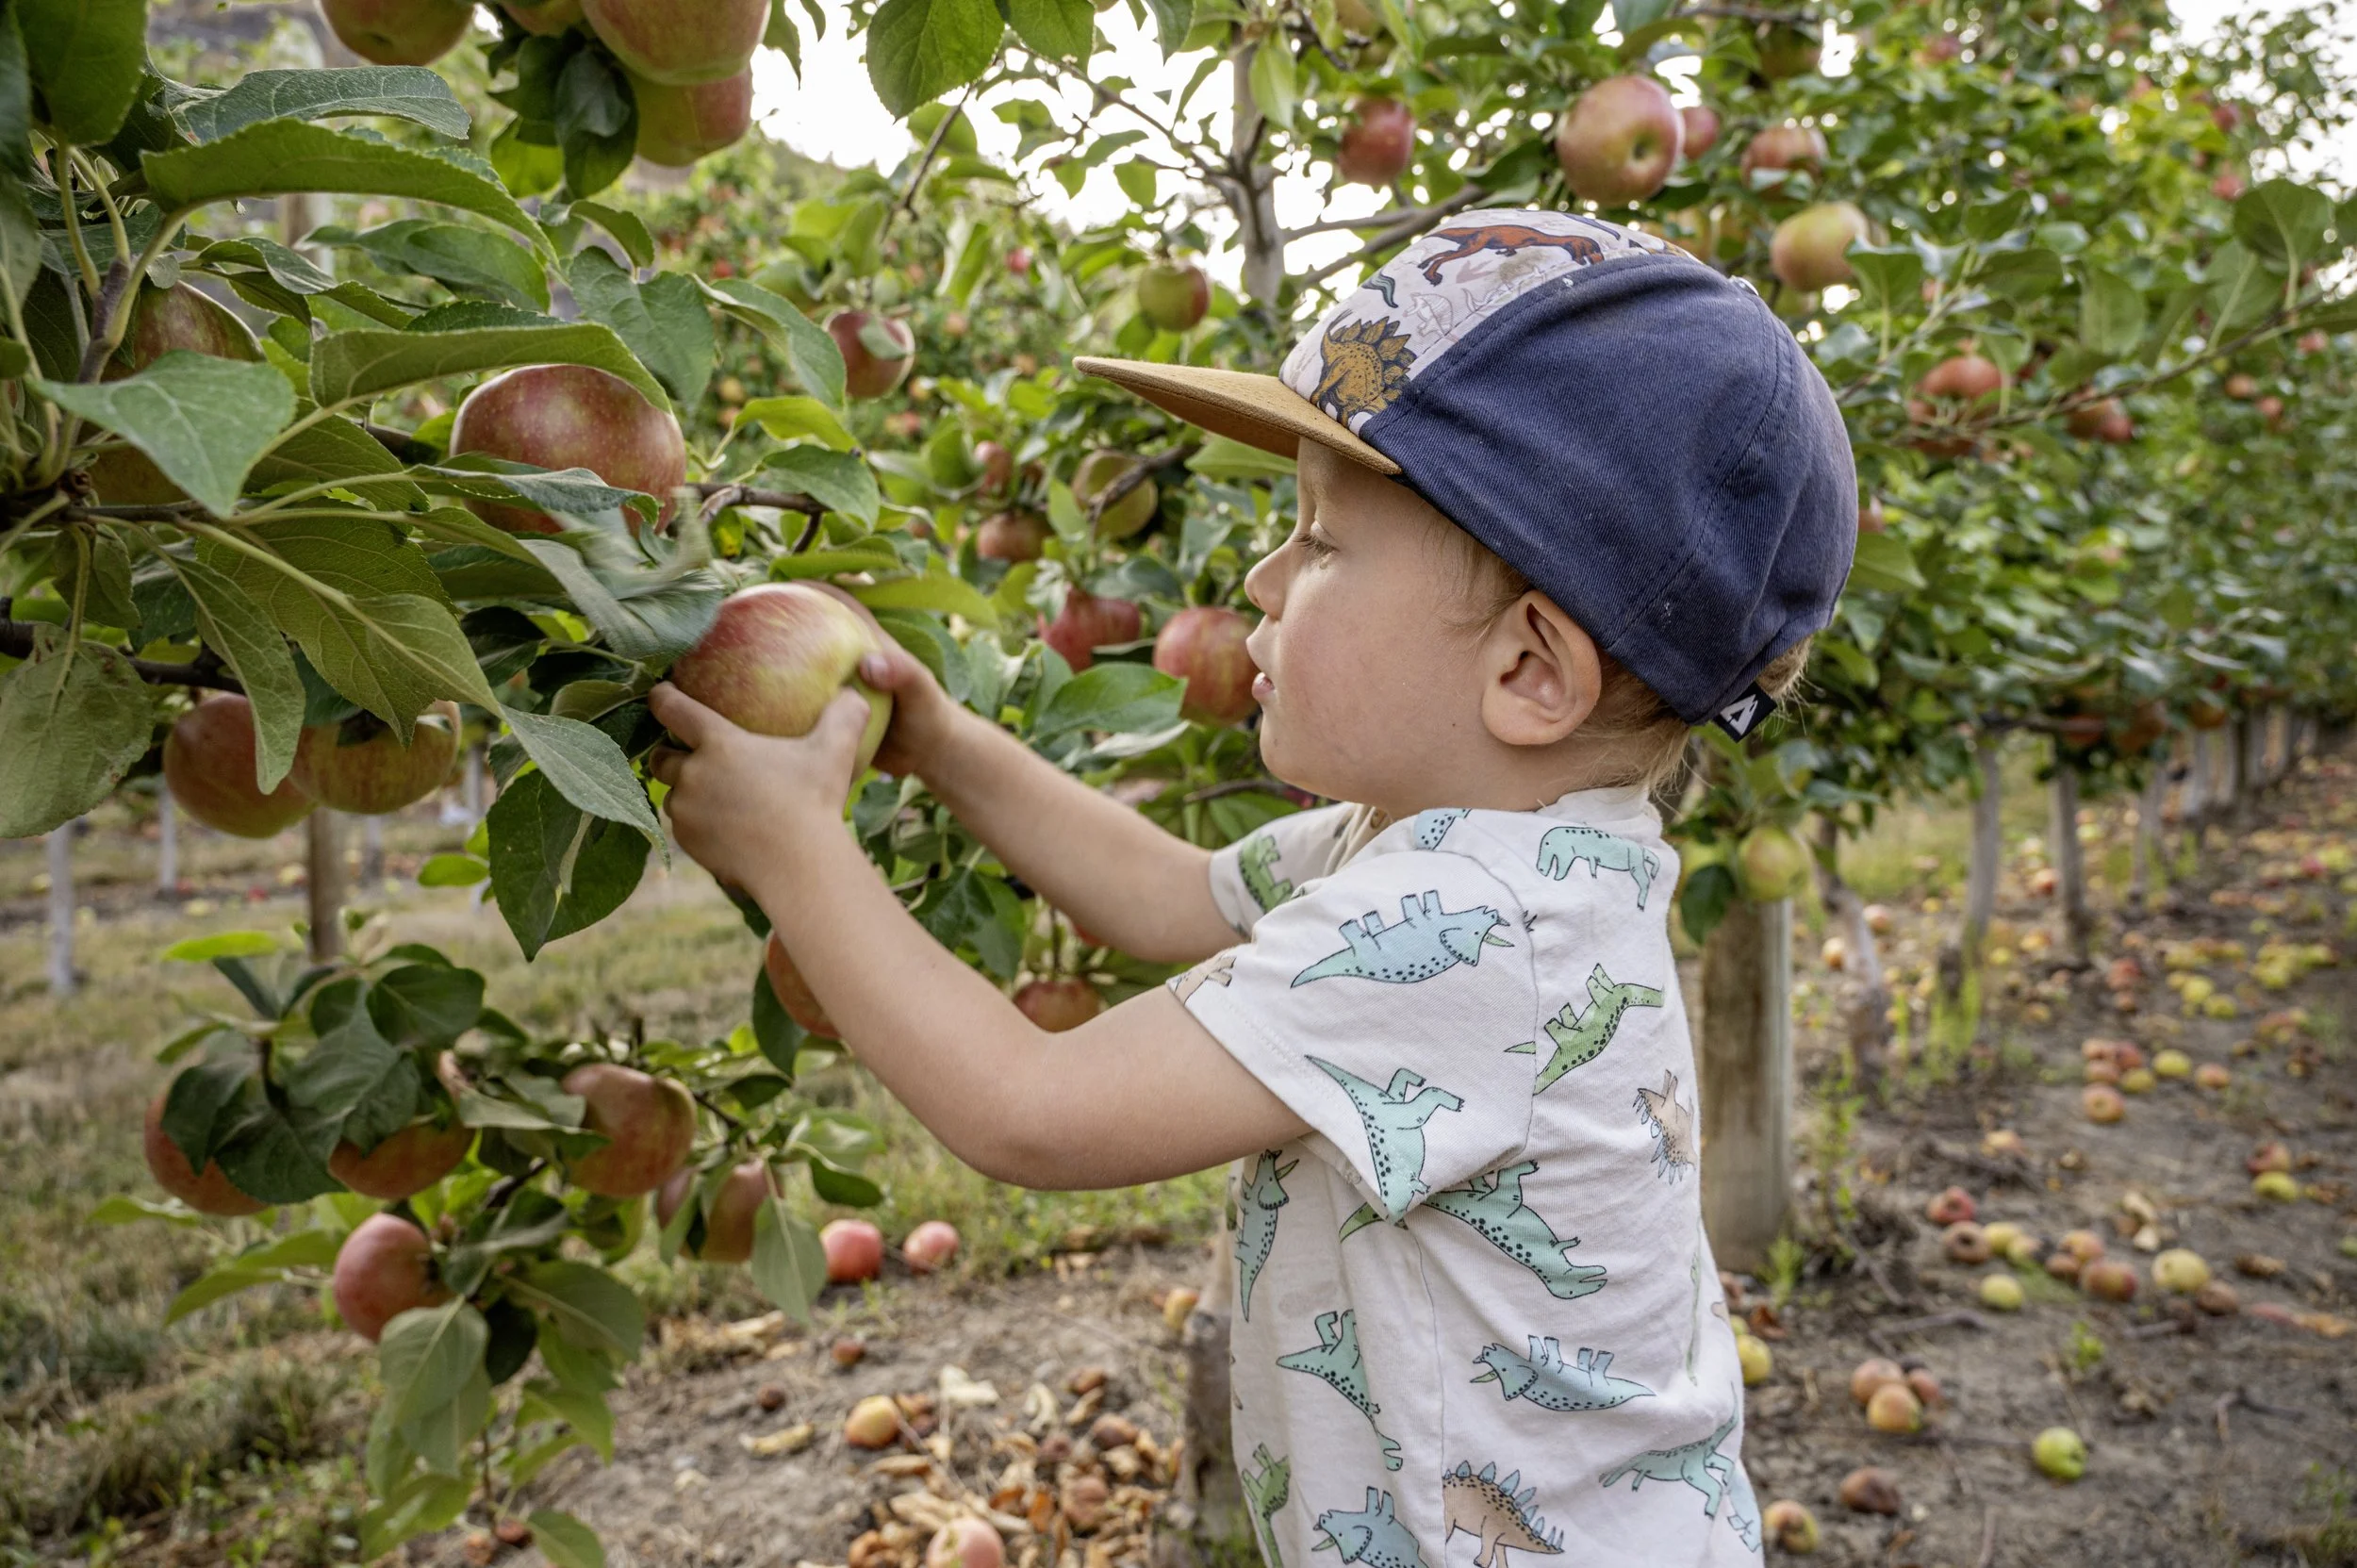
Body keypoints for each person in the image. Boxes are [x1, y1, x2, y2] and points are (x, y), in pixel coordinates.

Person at [649, 208, 1856, 1568]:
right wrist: (942, 740)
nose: (1259, 579)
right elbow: (1173, 897)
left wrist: (796, 848)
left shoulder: (1472, 927)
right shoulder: (1449, 848)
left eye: (1323, 543)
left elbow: (1029, 1112)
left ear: (1530, 670)